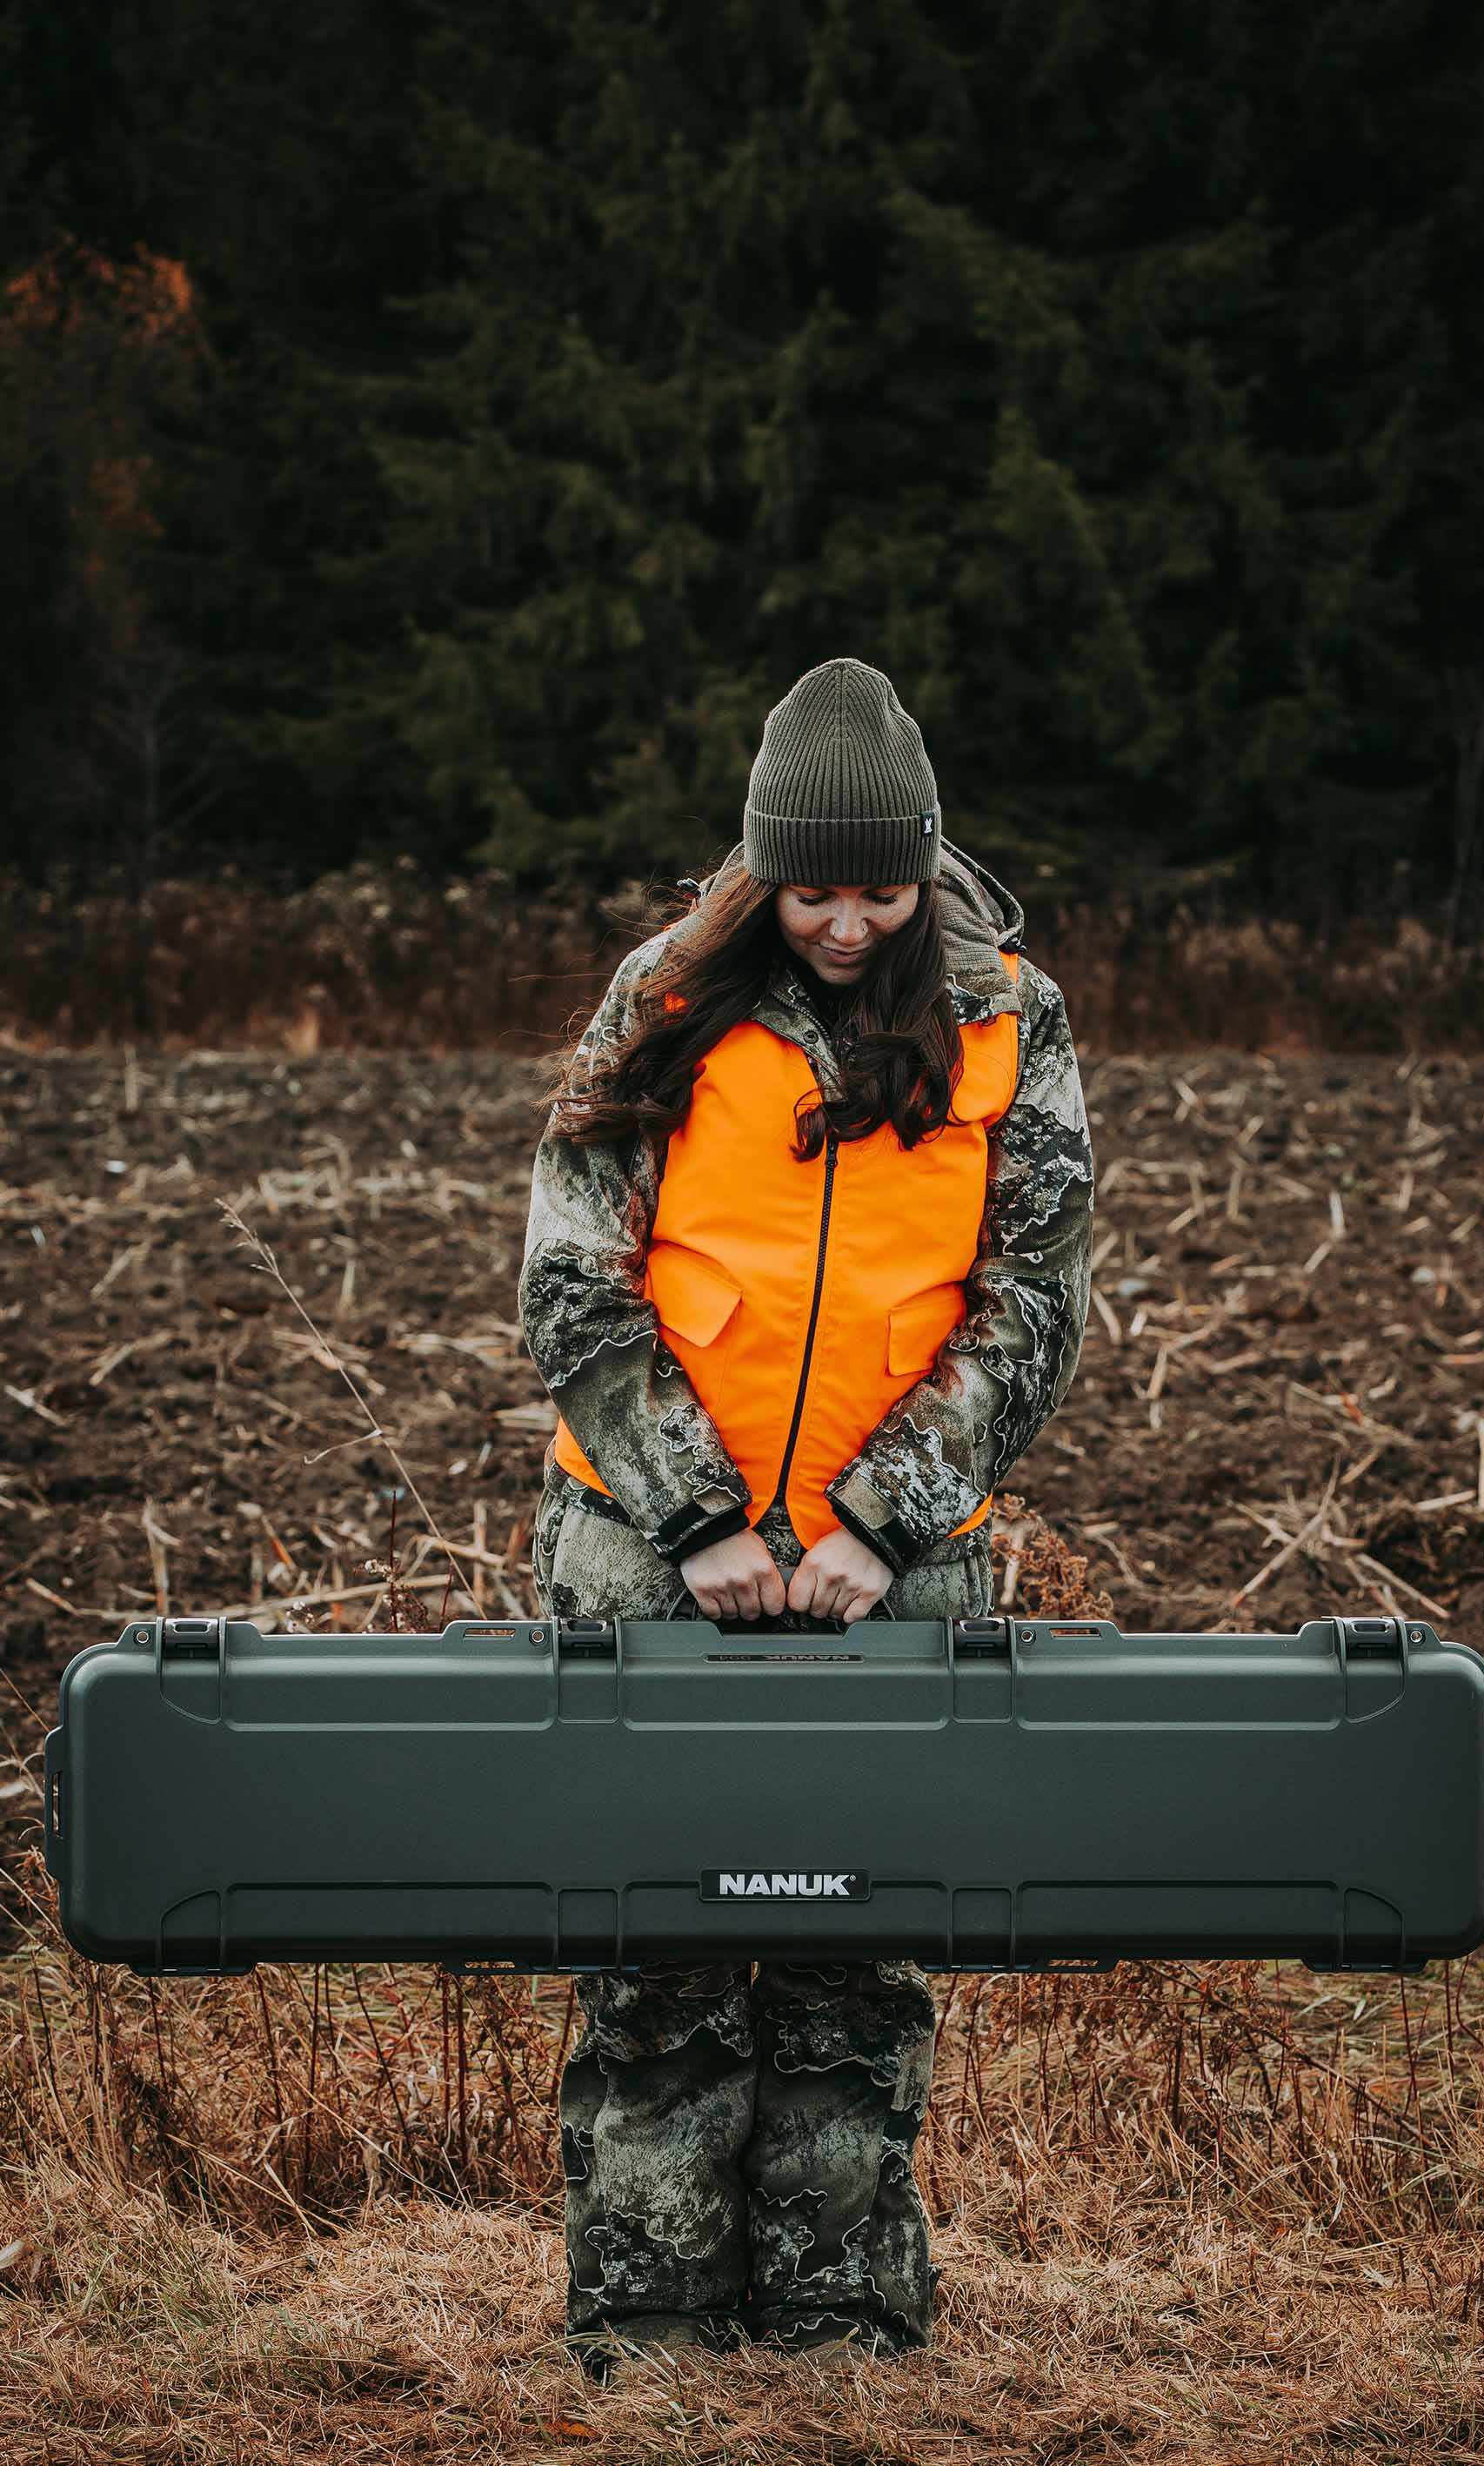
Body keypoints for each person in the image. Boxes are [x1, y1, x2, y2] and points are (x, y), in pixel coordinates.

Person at [518, 655, 1094, 2380]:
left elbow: (1031, 1306)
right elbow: (571, 1287)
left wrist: (879, 1521)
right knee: (658, 1951)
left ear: (927, 867)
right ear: (759, 869)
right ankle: (648, 2332)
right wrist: (698, 1519)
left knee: (853, 1953)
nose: (846, 923)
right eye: (812, 887)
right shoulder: (662, 997)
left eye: (880, 886)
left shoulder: (1008, 1016)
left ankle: (843, 2332)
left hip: (891, 1576)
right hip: (644, 1558)